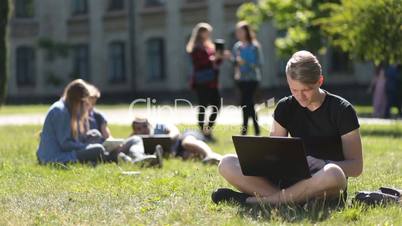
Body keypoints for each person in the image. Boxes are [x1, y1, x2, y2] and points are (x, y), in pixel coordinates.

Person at [212, 50, 363, 205]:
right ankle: (287, 201)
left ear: (320, 81)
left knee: (334, 174)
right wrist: (260, 158)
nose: (300, 96)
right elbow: (273, 154)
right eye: (294, 90)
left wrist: (320, 163)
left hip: (322, 182)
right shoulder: (285, 106)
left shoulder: (342, 110)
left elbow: (356, 166)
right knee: (227, 163)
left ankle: (259, 201)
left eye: (306, 90)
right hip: (288, 179)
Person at [36, 79, 119, 165]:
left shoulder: (67, 109)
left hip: (64, 153)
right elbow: (65, 144)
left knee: (95, 135)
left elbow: (72, 139)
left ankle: (105, 157)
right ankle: (108, 157)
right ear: (76, 100)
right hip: (55, 157)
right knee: (98, 149)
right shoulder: (60, 111)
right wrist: (85, 146)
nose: (84, 106)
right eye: (83, 102)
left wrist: (87, 139)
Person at [186, 22, 228, 142]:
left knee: (217, 106)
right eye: (207, 32)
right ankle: (203, 133)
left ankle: (207, 130)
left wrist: (219, 58)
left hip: (213, 82)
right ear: (201, 33)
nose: (209, 34)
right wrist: (213, 59)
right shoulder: (195, 47)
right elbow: (199, 63)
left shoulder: (210, 46)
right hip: (202, 82)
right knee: (203, 107)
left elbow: (216, 65)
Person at [131, 117, 222, 164]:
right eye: (138, 129)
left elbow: (174, 131)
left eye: (145, 126)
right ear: (135, 131)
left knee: (187, 143)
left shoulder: (158, 127)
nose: (143, 130)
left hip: (183, 137)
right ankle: (212, 161)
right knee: (189, 156)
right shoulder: (136, 139)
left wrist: (168, 139)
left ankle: (210, 155)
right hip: (178, 152)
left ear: (149, 124)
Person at [232, 21, 263, 135]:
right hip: (241, 80)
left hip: (252, 79)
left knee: (248, 102)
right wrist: (235, 62)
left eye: (240, 31)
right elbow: (235, 63)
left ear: (246, 31)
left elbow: (259, 63)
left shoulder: (255, 46)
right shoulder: (237, 47)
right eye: (237, 31)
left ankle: (246, 129)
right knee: (246, 104)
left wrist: (246, 63)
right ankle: (254, 129)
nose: (238, 33)